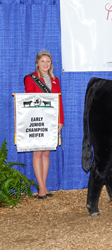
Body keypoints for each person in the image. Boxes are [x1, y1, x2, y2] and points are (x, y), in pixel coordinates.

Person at [24, 49, 64, 199]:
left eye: (48, 61)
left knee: (46, 153)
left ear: (51, 64)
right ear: (37, 63)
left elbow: (59, 101)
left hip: (52, 119)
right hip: (37, 119)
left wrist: (60, 120)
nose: (45, 64)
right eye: (42, 61)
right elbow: (30, 99)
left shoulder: (55, 80)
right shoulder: (31, 79)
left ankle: (44, 185)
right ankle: (41, 187)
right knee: (38, 152)